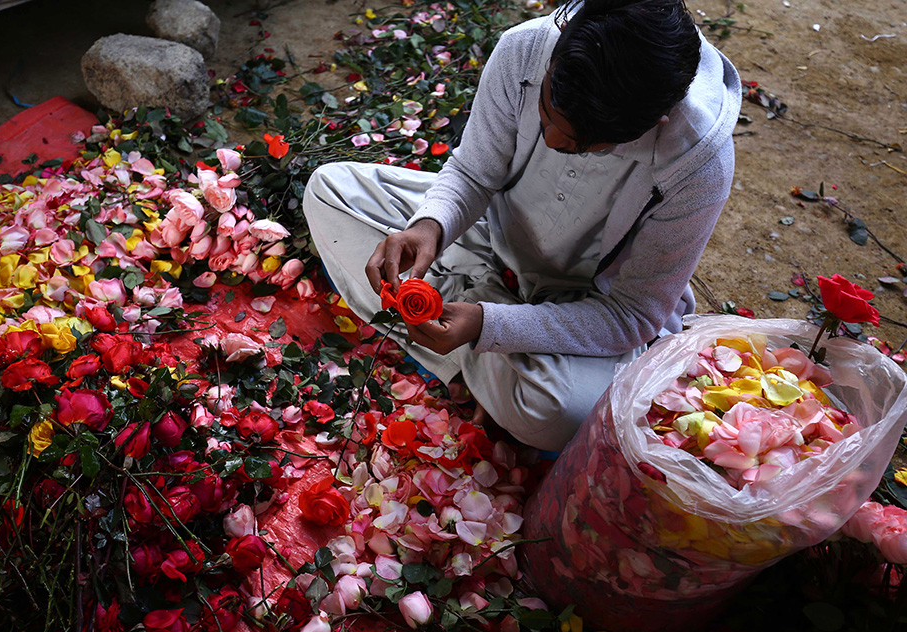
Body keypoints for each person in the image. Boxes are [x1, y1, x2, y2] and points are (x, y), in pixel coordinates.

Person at [303, 0, 741, 451]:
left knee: (565, 413)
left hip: (584, 303)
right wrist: (430, 226)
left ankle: (465, 338)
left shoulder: (698, 163)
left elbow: (631, 314)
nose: (551, 140)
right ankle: (475, 358)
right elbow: (474, 172)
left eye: (581, 143)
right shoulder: (526, 50)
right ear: (555, 59)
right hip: (487, 239)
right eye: (547, 114)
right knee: (329, 192)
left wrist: (488, 325)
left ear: (653, 124)